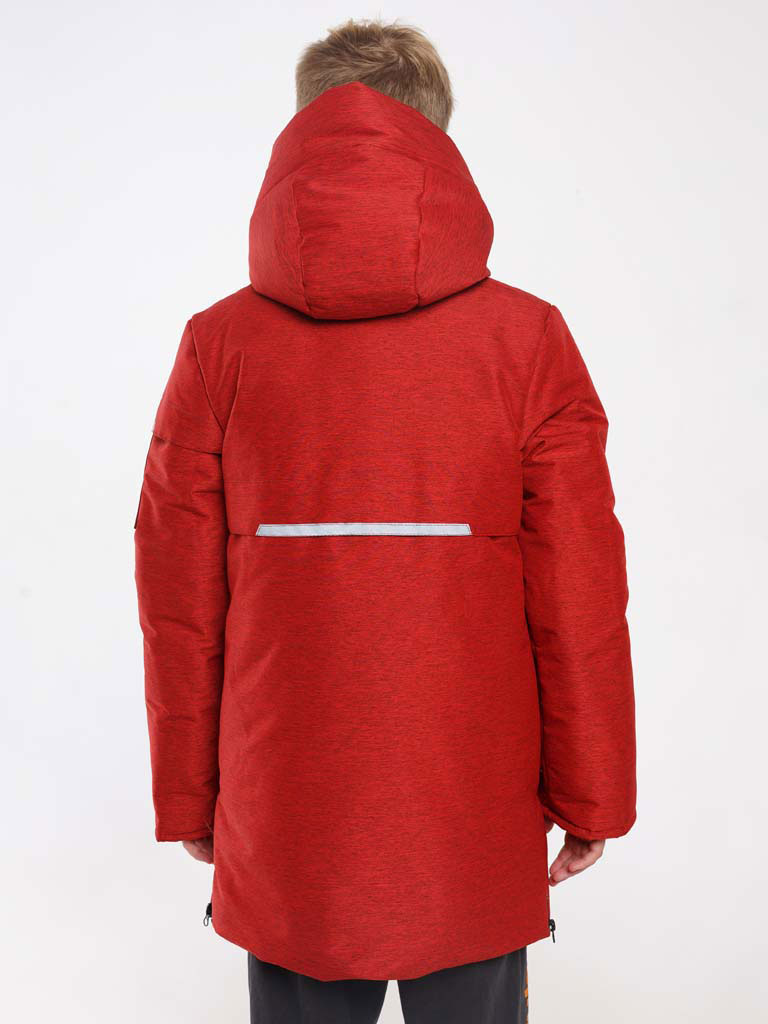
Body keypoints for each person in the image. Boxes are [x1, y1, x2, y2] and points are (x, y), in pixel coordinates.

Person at [134, 18, 636, 1024]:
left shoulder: (218, 346)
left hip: (288, 810)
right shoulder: (527, 341)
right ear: (438, 139)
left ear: (301, 128)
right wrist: (594, 792)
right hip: (472, 811)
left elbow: (178, 600)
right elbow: (579, 595)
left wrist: (191, 792)